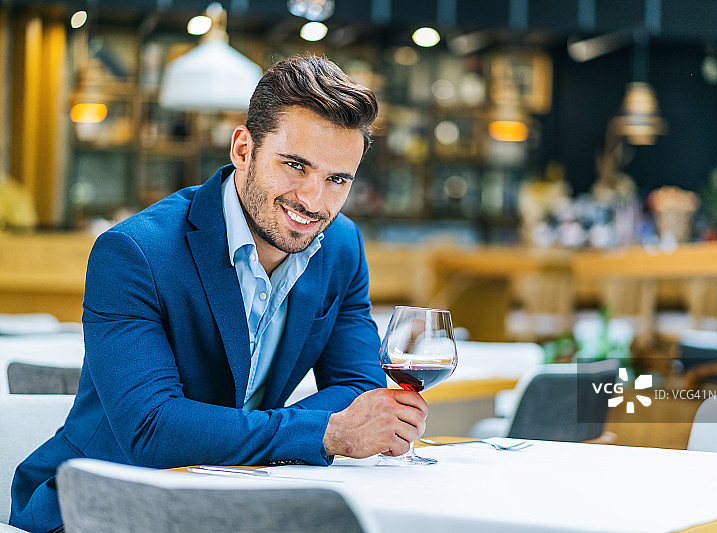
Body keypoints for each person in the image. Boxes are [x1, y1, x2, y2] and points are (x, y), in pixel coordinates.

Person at [10, 55, 428, 533]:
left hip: (240, 498)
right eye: (295, 166)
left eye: (337, 180)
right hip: (101, 504)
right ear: (243, 149)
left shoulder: (341, 246)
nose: (313, 200)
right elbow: (153, 428)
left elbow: (359, 388)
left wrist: (264, 435)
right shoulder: (134, 253)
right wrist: (323, 432)